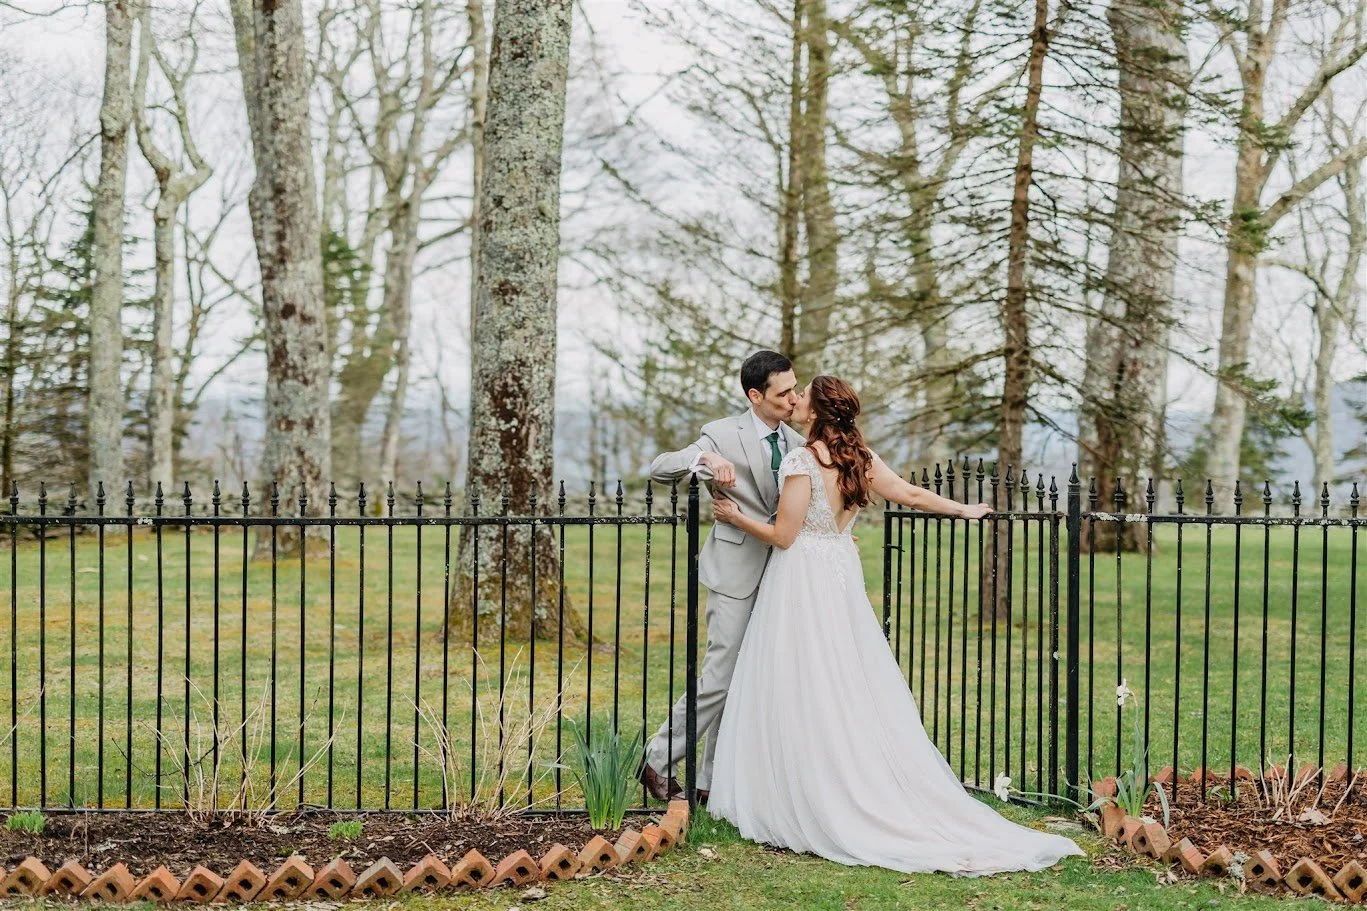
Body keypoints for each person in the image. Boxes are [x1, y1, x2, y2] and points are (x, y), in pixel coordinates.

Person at [707, 375, 1084, 874]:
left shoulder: (803, 460)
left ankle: (807, 789)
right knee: (842, 676)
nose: (794, 403)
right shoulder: (857, 458)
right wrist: (962, 509)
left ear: (817, 412)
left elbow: (783, 535)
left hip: (802, 579)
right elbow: (907, 492)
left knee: (802, 678)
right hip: (839, 571)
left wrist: (734, 518)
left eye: (802, 399)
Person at [638, 350, 806, 803]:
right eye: (783, 391)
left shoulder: (798, 442)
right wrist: (707, 461)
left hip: (783, 573)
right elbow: (659, 468)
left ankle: (709, 781)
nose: (793, 398)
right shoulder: (720, 433)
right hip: (734, 569)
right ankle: (658, 757)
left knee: (749, 677)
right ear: (755, 395)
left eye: (795, 388)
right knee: (721, 672)